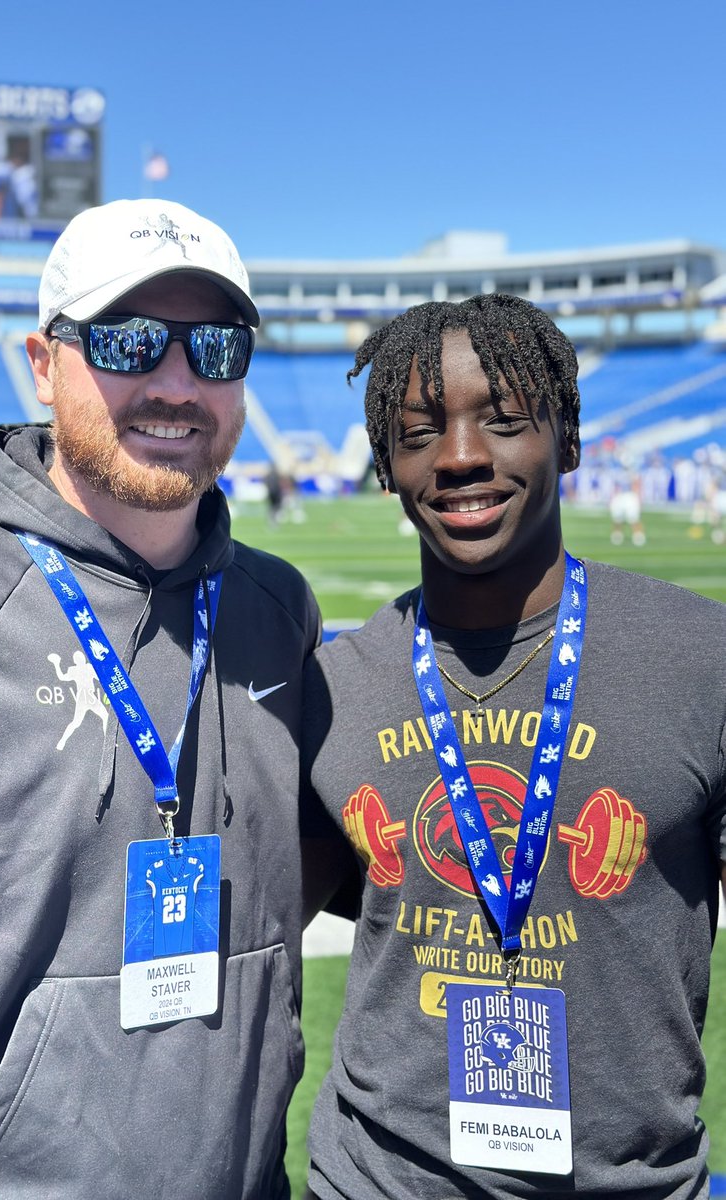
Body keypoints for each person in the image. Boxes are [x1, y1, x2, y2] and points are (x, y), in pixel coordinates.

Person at [0, 198, 323, 1199]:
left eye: (215, 348)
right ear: (42, 362)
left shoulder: (278, 610)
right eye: (129, 341)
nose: (177, 383)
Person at [302, 294, 726, 1199]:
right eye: (419, 434)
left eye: (504, 422)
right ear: (386, 466)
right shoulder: (337, 684)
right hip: (376, 1179)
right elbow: (299, 916)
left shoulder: (703, 659)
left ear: (568, 440)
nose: (460, 457)